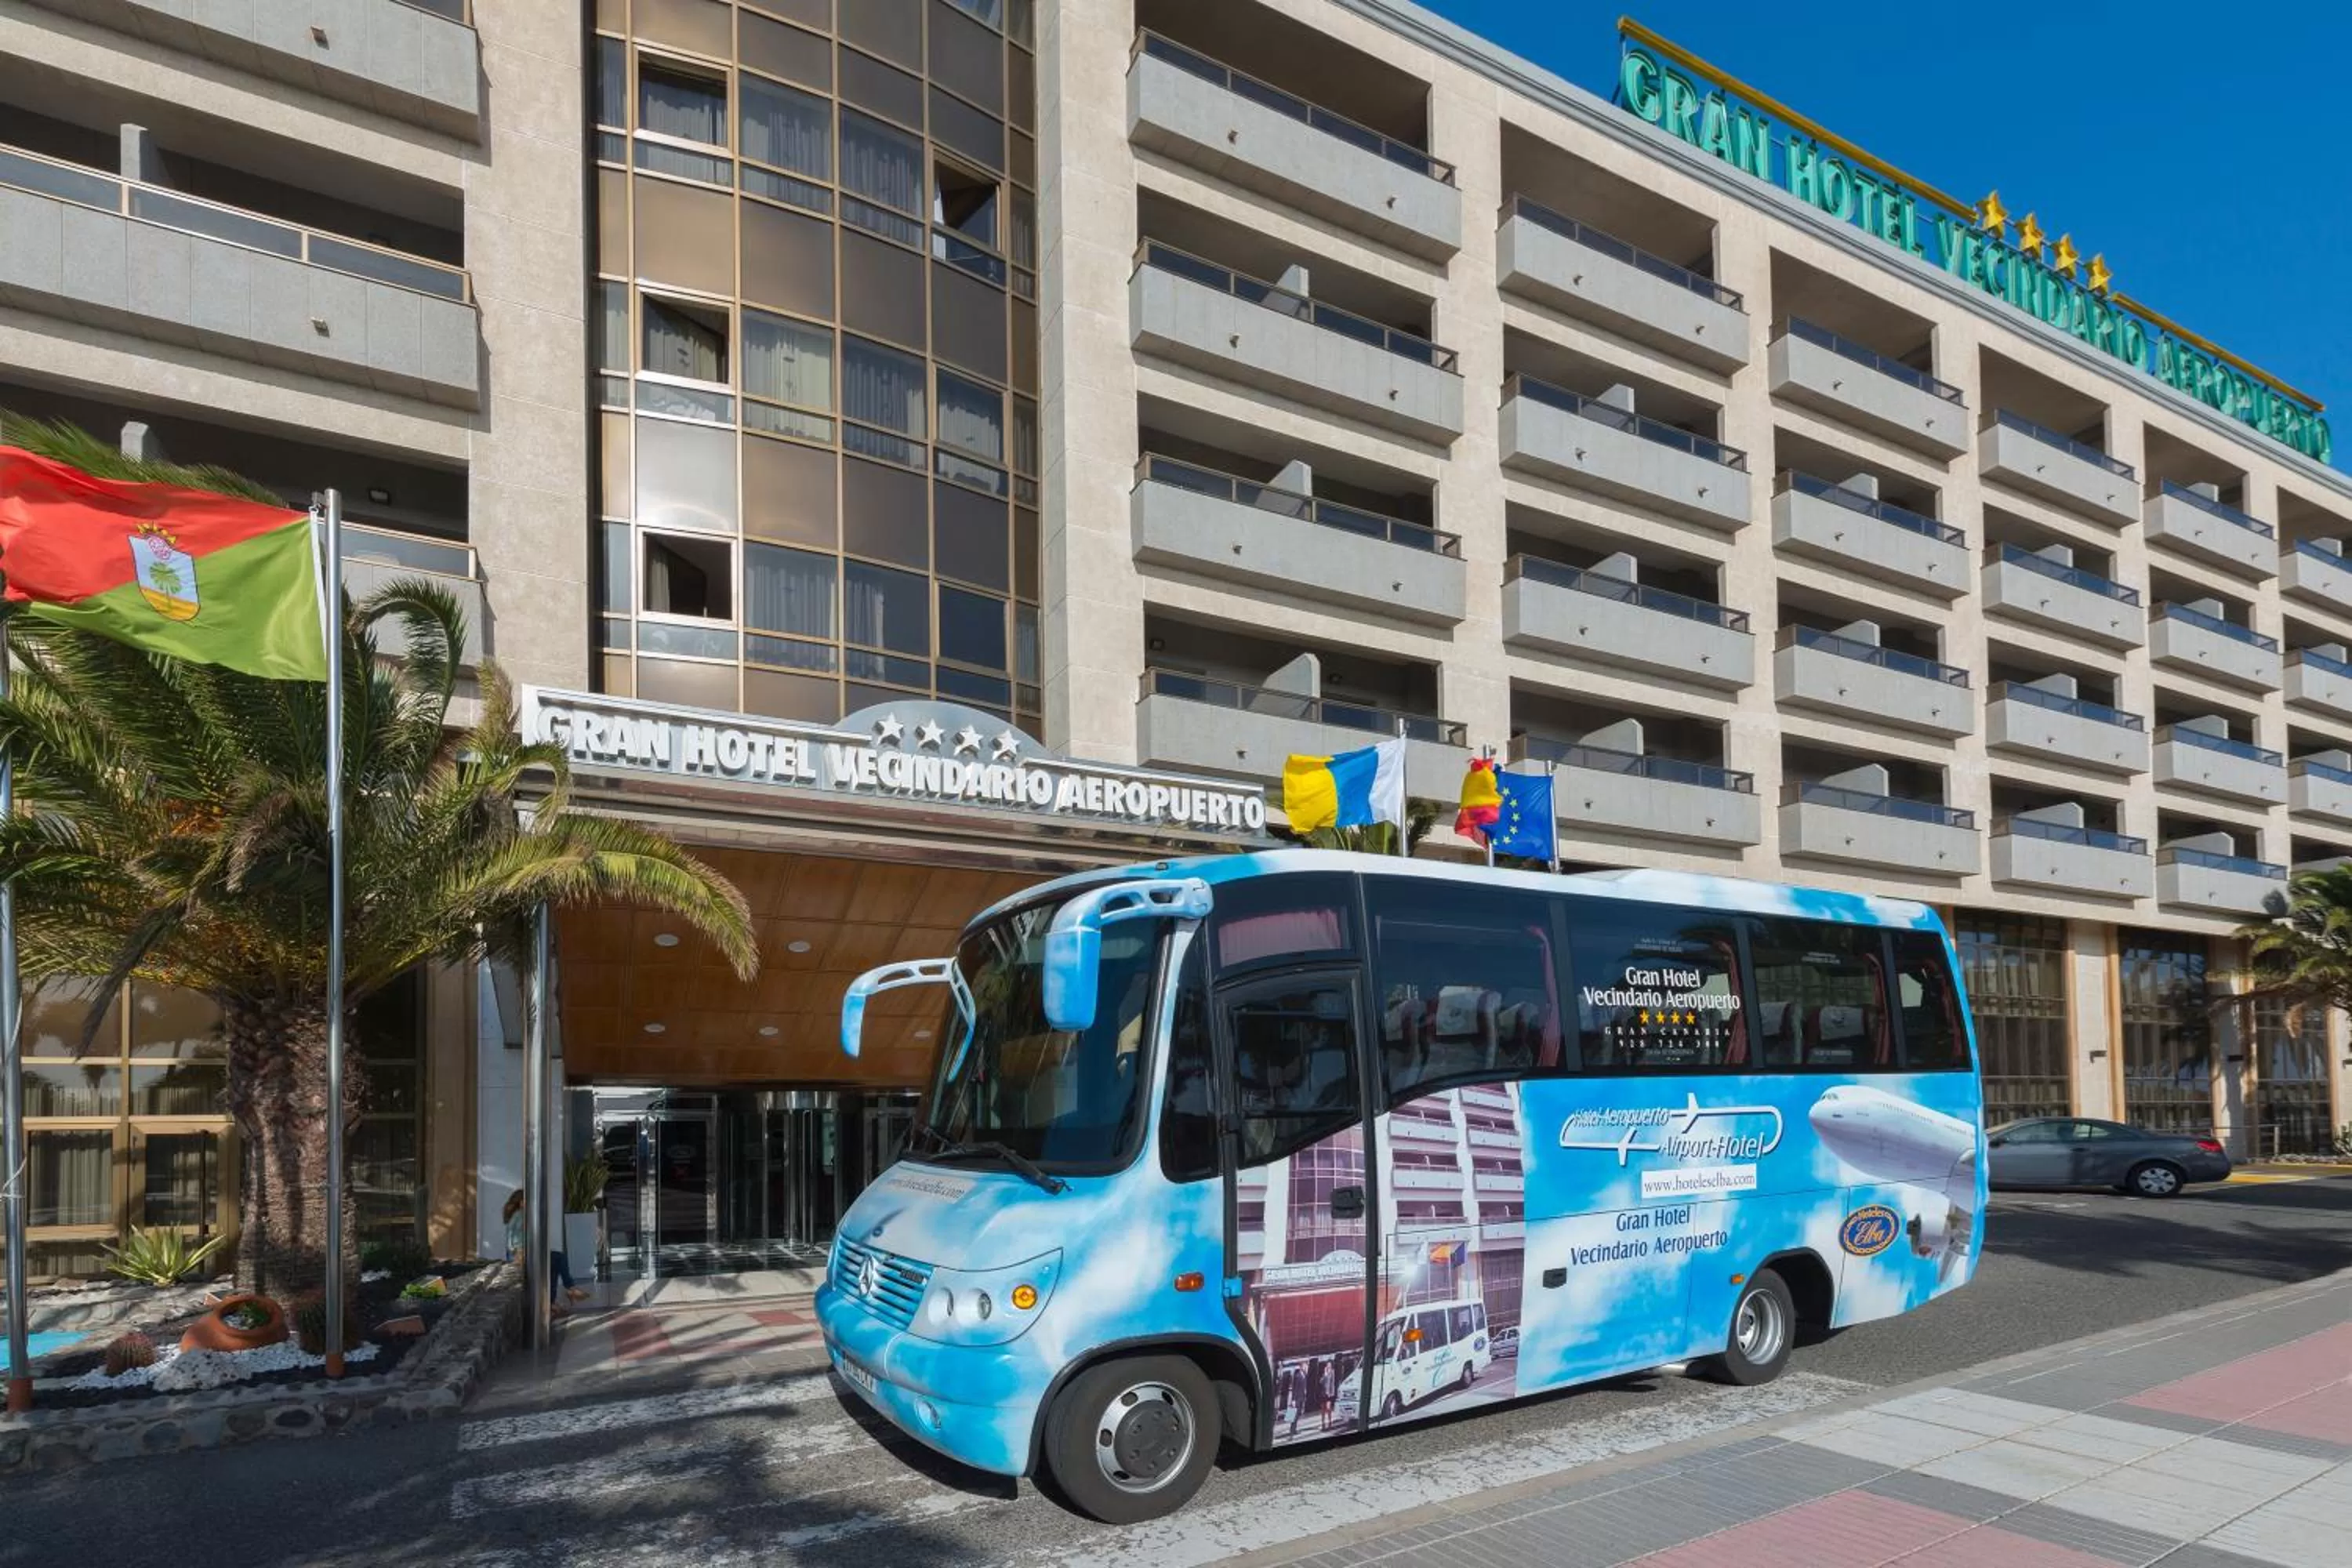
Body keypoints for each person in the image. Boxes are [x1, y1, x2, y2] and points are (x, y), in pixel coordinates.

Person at [503, 1189, 590, 1313]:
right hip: (522, 1256)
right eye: (529, 1200)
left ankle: (555, 1300)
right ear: (521, 1202)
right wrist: (519, 1252)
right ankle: (568, 1290)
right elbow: (515, 1240)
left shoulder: (518, 1216)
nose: (532, 1202)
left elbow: (514, 1239)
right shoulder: (520, 1215)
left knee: (554, 1264)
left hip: (524, 1254)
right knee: (558, 1259)